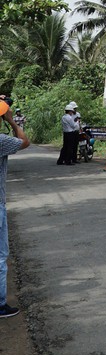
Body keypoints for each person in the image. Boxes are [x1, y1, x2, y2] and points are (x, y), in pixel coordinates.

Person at [0, 98, 30, 318]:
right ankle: (0, 305)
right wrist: (11, 121)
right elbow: (24, 141)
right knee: (1, 256)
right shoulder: (1, 141)